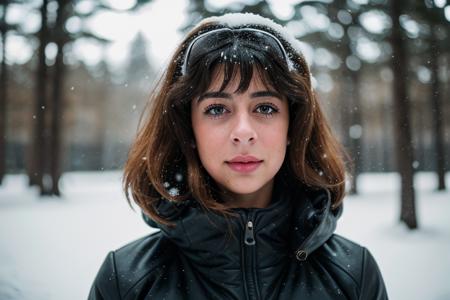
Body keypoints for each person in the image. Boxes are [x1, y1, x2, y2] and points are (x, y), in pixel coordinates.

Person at [88, 13, 388, 300]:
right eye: (217, 109)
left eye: (265, 107)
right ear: (188, 128)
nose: (243, 132)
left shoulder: (354, 274)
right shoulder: (127, 280)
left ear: (293, 126)